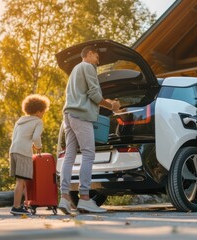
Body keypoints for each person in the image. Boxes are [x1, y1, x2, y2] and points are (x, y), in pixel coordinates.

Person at [59, 45, 120, 214]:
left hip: (69, 116)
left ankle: (64, 197)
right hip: (81, 116)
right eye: (97, 58)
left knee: (69, 156)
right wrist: (112, 106)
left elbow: (85, 95)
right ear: (90, 54)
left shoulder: (75, 71)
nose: (98, 62)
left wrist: (103, 101)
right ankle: (85, 198)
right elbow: (94, 94)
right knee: (88, 154)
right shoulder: (88, 67)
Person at [9, 94, 50, 215]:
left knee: (21, 180)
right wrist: (38, 147)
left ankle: (23, 204)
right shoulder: (38, 121)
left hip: (13, 150)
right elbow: (36, 137)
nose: (43, 114)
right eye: (43, 112)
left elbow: (17, 137)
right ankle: (16, 207)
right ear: (38, 111)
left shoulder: (20, 121)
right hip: (23, 153)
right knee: (21, 181)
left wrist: (29, 144)